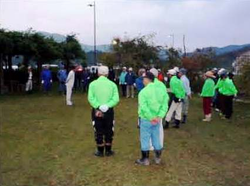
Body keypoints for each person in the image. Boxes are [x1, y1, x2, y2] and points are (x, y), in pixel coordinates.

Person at [136, 72, 168, 166]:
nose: (142, 80)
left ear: (147, 79)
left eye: (143, 78)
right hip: (157, 119)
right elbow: (164, 105)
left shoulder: (143, 92)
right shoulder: (161, 91)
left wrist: (151, 117)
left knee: (145, 138)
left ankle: (145, 159)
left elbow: (143, 107)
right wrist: (159, 116)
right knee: (156, 137)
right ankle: (157, 158)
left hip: (146, 119)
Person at [88, 66, 119, 157]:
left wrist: (98, 106)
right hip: (109, 110)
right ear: (107, 74)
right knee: (109, 129)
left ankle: (100, 151)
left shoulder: (93, 84)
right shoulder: (112, 84)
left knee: (98, 130)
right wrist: (107, 105)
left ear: (98, 73)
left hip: (97, 110)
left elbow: (90, 98)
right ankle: (108, 150)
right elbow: (116, 99)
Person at [149, 68, 169, 149]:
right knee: (159, 127)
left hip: (150, 110)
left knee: (149, 128)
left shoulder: (149, 84)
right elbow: (165, 98)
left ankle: (151, 145)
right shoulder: (161, 85)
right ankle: (159, 144)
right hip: (160, 110)